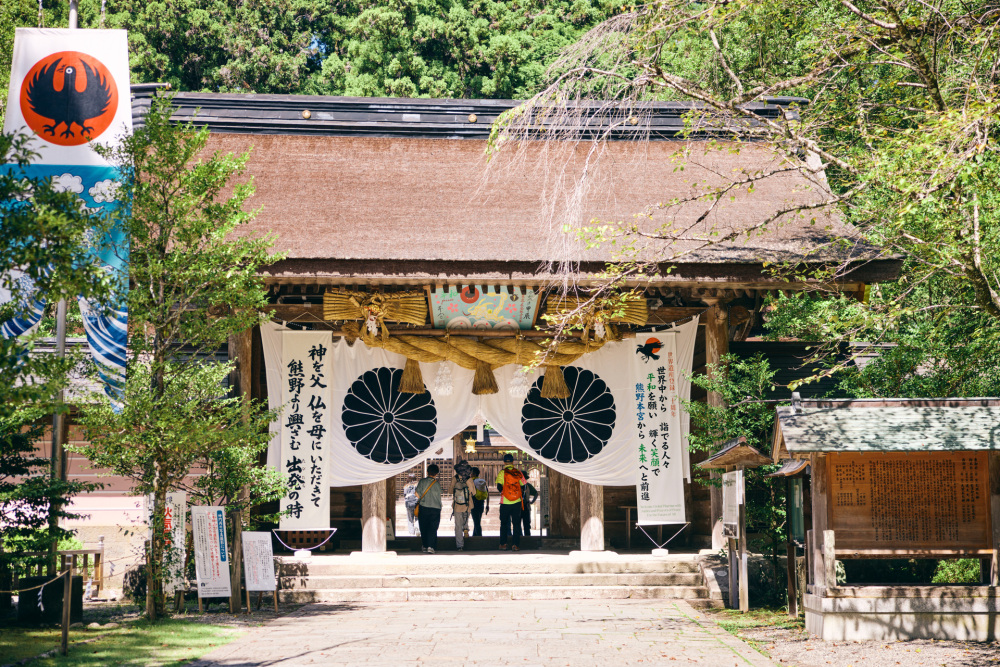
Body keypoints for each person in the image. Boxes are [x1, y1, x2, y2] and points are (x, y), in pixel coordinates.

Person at [495, 453, 525, 551]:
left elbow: (499, 487)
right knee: (516, 524)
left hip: (505, 502)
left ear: (504, 462)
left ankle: (503, 544)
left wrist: (505, 493)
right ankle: (515, 545)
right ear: (513, 462)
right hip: (516, 502)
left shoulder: (502, 473)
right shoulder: (518, 472)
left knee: (504, 524)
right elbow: (523, 485)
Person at [415, 464, 442, 553]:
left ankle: (425, 545)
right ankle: (431, 546)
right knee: (433, 527)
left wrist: (422, 498)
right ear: (437, 473)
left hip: (424, 507)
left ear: (427, 472)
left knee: (423, 527)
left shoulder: (422, 482)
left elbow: (416, 494)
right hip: (435, 508)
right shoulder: (437, 484)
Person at [452, 473, 476, 551]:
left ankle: (460, 546)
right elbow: (474, 493)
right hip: (467, 505)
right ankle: (465, 527)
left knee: (458, 525)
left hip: (457, 505)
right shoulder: (469, 479)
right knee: (465, 519)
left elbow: (450, 491)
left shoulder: (455, 479)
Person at [470, 467, 490, 537]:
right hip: (481, 504)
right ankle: (474, 536)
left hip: (474, 504)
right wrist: (487, 505)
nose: (470, 474)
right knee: (477, 521)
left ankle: (480, 538)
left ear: (474, 474)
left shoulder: (471, 482)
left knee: (477, 523)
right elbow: (487, 493)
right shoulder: (482, 482)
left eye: (471, 472)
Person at [520, 470, 539, 538]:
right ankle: (525, 538)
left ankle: (525, 538)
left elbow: (536, 493)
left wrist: (532, 501)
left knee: (525, 524)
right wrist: (532, 501)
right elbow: (536, 493)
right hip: (523, 506)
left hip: (523, 506)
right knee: (524, 524)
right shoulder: (527, 486)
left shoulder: (527, 486)